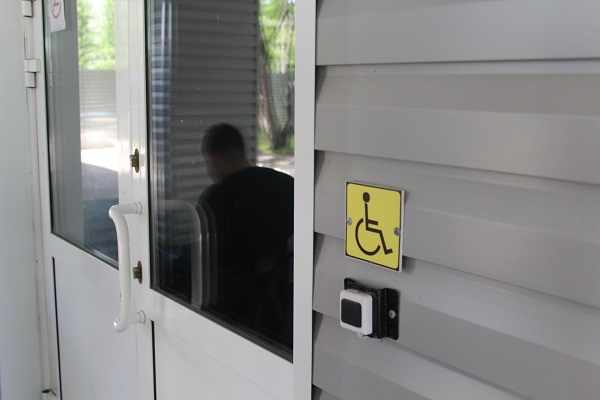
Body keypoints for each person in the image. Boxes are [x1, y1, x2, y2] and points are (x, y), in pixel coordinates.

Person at [197, 123, 294, 349]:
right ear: (241, 151)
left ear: (213, 158)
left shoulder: (215, 199)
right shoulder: (286, 185)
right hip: (276, 304)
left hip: (229, 313)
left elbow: (206, 263)